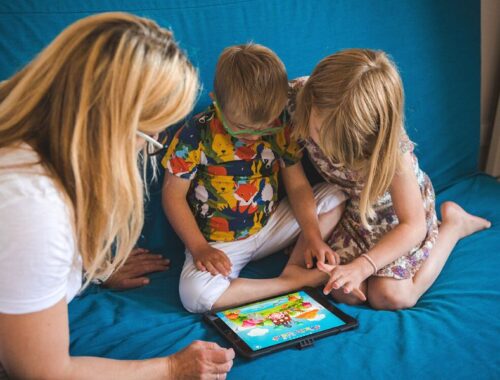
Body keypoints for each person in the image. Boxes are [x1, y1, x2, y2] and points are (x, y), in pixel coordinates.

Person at [0, 12, 234, 379]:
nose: (144, 154)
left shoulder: (23, 142)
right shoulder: (33, 205)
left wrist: (82, 270)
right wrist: (173, 367)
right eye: (149, 140)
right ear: (111, 128)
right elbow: (43, 373)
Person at [289, 48, 491, 310]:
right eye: (318, 128)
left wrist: (364, 265)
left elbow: (412, 225)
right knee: (346, 291)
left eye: (336, 141)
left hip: (396, 214)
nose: (319, 141)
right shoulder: (302, 96)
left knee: (392, 296)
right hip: (352, 207)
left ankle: (454, 225)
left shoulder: (393, 149)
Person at [162, 43, 346, 313]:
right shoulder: (194, 135)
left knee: (335, 195)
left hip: (270, 228)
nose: (254, 137)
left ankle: (295, 268)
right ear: (216, 101)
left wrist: (313, 236)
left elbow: (297, 185)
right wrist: (199, 248)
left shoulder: (281, 126)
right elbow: (172, 196)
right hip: (218, 243)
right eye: (241, 128)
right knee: (195, 296)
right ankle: (289, 283)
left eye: (264, 127)